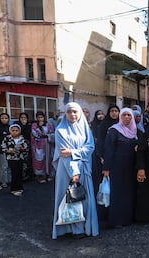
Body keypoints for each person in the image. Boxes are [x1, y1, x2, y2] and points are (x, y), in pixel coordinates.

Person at [52, 102, 99, 239]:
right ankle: (73, 229)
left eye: (75, 112)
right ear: (65, 114)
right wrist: (74, 173)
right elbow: (64, 154)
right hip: (68, 170)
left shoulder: (85, 128)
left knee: (83, 199)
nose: (72, 115)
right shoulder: (60, 130)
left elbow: (90, 148)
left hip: (83, 167)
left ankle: (83, 228)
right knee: (69, 198)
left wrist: (73, 152)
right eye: (69, 112)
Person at [102, 108, 137, 227]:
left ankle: (127, 219)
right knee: (117, 193)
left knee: (128, 192)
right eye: (124, 115)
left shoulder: (134, 131)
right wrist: (106, 168)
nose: (127, 117)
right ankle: (115, 220)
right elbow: (108, 150)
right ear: (120, 117)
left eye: (129, 115)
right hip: (116, 167)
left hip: (130, 167)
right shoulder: (114, 130)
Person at [1, 124, 29, 196]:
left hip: (20, 157)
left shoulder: (22, 139)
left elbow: (26, 148)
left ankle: (20, 187)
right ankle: (14, 188)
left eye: (16, 130)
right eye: (13, 130)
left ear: (19, 131)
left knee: (20, 172)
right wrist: (9, 151)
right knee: (14, 173)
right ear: (10, 131)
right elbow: (3, 148)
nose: (15, 132)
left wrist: (22, 149)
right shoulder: (7, 138)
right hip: (11, 158)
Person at [31, 111, 54, 183]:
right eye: (39, 117)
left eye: (42, 117)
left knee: (48, 160)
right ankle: (40, 176)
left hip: (47, 144)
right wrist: (42, 134)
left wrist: (47, 136)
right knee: (39, 160)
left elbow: (52, 133)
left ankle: (48, 175)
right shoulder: (34, 125)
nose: (40, 119)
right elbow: (34, 133)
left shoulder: (48, 124)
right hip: (38, 145)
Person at [0, 113, 11, 188]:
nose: (4, 119)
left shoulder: (10, 127)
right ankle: (3, 181)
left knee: (10, 165)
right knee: (4, 166)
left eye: (6, 118)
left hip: (10, 149)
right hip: (1, 149)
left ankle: (10, 180)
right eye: (2, 118)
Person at [15, 113, 32, 181]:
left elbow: (28, 134)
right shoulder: (17, 125)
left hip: (27, 144)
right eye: (22, 117)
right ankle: (20, 176)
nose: (23, 119)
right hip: (18, 143)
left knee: (27, 160)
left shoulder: (29, 125)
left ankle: (27, 176)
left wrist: (25, 125)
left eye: (25, 117)